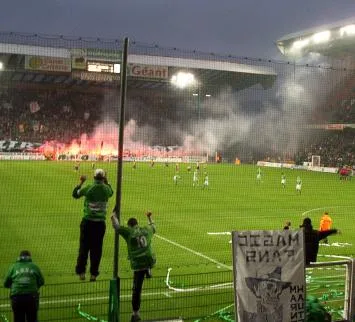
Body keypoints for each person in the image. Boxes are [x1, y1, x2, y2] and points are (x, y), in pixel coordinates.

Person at [111, 211, 156, 322]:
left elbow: (116, 226)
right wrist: (149, 217)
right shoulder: (146, 230)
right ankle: (148, 268)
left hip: (138, 265)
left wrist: (113, 216)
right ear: (137, 223)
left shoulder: (129, 232)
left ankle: (135, 313)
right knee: (149, 253)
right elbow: (153, 226)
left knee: (136, 290)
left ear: (129, 225)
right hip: (150, 260)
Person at [72, 168, 114, 281]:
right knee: (97, 249)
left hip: (87, 222)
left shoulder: (89, 188)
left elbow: (75, 194)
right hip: (100, 224)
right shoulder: (106, 189)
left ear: (94, 177)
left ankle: (81, 272)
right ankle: (93, 274)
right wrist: (107, 181)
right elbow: (111, 191)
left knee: (84, 248)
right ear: (103, 178)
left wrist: (81, 182)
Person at [4, 250, 44, 322]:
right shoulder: (34, 266)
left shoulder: (13, 267)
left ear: (19, 257)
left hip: (17, 298)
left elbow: (5, 283)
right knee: (32, 319)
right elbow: (41, 281)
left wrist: (14, 286)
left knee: (18, 319)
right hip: (32, 298)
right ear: (29, 257)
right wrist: (34, 286)